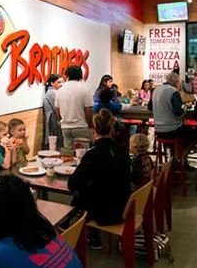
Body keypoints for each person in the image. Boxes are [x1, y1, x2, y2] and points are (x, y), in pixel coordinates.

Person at [68, 109, 131, 250]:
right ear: (112, 130)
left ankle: (88, 231)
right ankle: (77, 226)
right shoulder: (123, 152)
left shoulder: (92, 155)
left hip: (103, 212)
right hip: (124, 207)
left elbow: (72, 184)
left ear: (92, 130)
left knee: (82, 192)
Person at [148, 72, 197, 168]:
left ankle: (174, 159)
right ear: (176, 82)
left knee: (184, 132)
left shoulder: (155, 90)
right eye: (179, 82)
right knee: (195, 134)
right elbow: (178, 112)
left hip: (158, 130)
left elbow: (150, 107)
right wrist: (186, 106)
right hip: (173, 129)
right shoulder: (173, 91)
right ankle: (181, 158)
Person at [56, 66, 94, 155]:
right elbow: (88, 111)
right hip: (81, 126)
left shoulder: (60, 91)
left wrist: (63, 120)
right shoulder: (85, 89)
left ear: (67, 76)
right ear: (81, 76)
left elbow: (57, 111)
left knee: (68, 157)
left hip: (65, 128)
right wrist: (89, 124)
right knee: (83, 155)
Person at [43, 74, 63, 150]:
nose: (61, 84)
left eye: (62, 82)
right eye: (59, 82)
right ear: (52, 83)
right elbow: (58, 108)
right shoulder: (52, 93)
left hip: (54, 119)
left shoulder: (54, 92)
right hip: (53, 120)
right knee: (55, 143)